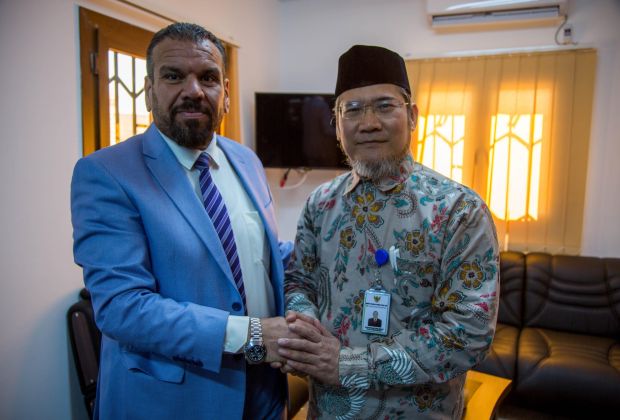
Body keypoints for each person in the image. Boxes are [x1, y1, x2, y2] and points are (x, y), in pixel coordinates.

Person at [71, 23, 295, 420]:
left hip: (264, 392)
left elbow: (263, 253)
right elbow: (123, 307)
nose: (193, 90)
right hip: (177, 400)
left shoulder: (246, 160)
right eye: (174, 76)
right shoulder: (106, 173)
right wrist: (252, 334)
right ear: (148, 90)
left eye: (208, 77)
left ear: (226, 92)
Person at [277, 45, 500, 419]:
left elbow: (468, 333)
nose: (368, 123)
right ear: (336, 123)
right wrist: (305, 327)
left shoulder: (458, 211)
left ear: (412, 116)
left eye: (384, 106)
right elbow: (300, 280)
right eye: (352, 110)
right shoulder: (320, 204)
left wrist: (348, 364)